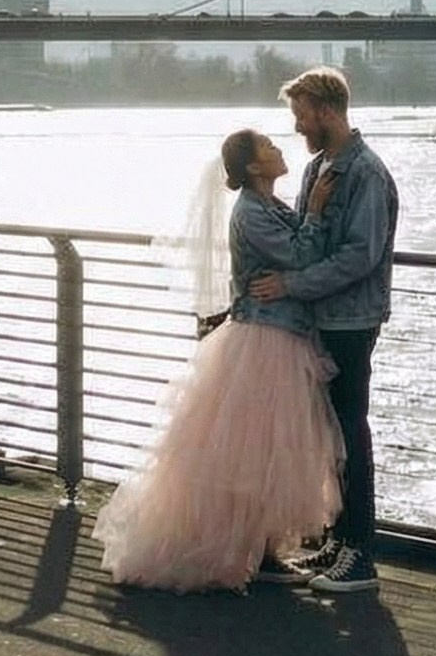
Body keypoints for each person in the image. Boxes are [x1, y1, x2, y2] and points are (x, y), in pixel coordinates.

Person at [92, 127, 343, 593]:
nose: (278, 149)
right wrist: (315, 213)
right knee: (255, 452)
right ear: (252, 166)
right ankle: (254, 552)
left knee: (264, 452)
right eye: (268, 147)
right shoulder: (251, 213)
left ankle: (262, 549)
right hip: (264, 341)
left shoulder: (268, 205)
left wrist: (308, 214)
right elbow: (298, 254)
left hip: (277, 336)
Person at [249, 66, 399, 594]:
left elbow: (360, 256)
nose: (297, 126)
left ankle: (361, 556)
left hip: (351, 320)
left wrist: (291, 285)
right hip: (321, 319)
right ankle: (337, 541)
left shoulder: (366, 173)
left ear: (328, 111)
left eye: (301, 115)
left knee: (350, 430)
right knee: (329, 435)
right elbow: (306, 238)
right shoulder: (318, 168)